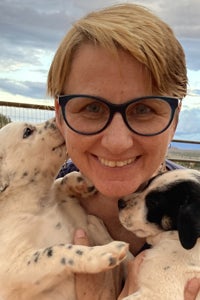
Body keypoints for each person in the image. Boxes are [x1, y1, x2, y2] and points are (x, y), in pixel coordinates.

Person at [47, 3, 200, 299]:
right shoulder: (17, 202)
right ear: (60, 115)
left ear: (175, 119)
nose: (117, 142)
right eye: (92, 107)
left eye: (143, 109)